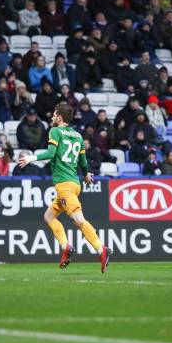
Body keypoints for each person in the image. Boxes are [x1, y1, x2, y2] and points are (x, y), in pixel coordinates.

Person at [19, 103, 112, 272]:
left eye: (54, 115)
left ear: (60, 117)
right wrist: (86, 175)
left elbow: (50, 153)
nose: (52, 117)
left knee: (79, 220)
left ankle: (101, 248)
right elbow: (83, 162)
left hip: (64, 186)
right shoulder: (77, 135)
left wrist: (30, 158)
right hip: (75, 183)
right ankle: (66, 246)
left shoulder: (55, 131)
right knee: (48, 216)